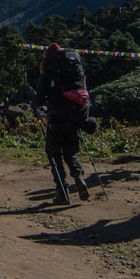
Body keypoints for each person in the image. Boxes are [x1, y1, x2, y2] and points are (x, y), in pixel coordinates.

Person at [32, 43, 90, 204]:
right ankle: (79, 178)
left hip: (56, 121)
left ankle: (62, 192)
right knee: (71, 153)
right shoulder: (74, 72)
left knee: (54, 155)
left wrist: (34, 105)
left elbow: (38, 99)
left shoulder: (49, 73)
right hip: (74, 119)